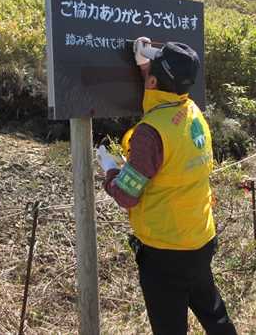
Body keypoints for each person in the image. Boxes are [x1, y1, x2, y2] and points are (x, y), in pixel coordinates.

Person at [97, 37, 237, 335]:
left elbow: (125, 194)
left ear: (153, 81)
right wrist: (146, 64)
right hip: (200, 236)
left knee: (169, 328)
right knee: (214, 314)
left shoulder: (150, 134)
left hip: (165, 252)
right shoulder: (193, 112)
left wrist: (109, 169)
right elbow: (162, 92)